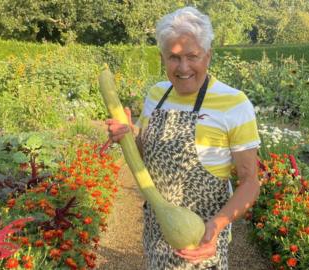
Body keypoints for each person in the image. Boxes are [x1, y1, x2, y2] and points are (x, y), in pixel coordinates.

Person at [105, 6, 261, 270]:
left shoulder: (234, 103)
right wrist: (129, 136)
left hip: (203, 239)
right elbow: (145, 157)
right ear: (162, 58)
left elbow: (250, 182)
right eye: (174, 57)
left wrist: (217, 226)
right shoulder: (156, 95)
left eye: (193, 56)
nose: (184, 67)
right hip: (158, 231)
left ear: (208, 56)